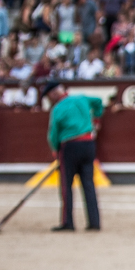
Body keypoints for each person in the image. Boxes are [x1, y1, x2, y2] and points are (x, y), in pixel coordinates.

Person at [44, 81, 105, 233]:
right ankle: (94, 222)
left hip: (69, 147)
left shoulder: (57, 109)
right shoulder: (81, 98)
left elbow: (53, 135)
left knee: (66, 186)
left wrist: (55, 151)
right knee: (88, 185)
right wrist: (96, 120)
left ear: (53, 94)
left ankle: (68, 222)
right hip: (88, 144)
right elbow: (99, 102)